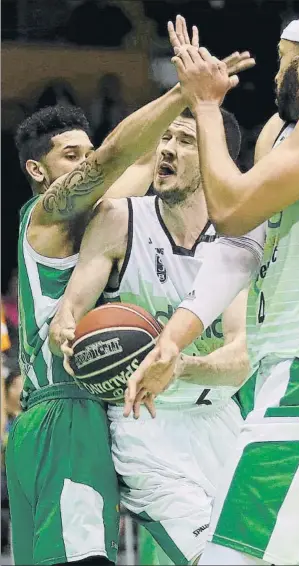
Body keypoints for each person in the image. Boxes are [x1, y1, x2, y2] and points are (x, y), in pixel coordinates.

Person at [125, 6, 299, 565]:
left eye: (280, 64)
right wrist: (173, 340)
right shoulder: (283, 132)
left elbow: (226, 212)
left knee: (232, 556)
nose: (274, 78)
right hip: (289, 366)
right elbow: (240, 246)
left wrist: (204, 105)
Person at [6, 20, 254, 565]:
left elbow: (147, 164)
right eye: (71, 157)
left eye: (84, 153)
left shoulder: (103, 223)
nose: (86, 164)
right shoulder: (47, 217)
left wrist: (205, 110)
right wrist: (180, 93)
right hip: (65, 414)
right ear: (37, 171)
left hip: (77, 416)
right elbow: (115, 160)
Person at [49, 106, 250, 566]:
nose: (167, 149)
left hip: (221, 423)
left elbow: (240, 357)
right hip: (145, 428)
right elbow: (73, 309)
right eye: (165, 138)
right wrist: (66, 329)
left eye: (185, 141)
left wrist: (180, 365)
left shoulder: (237, 238)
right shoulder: (120, 219)